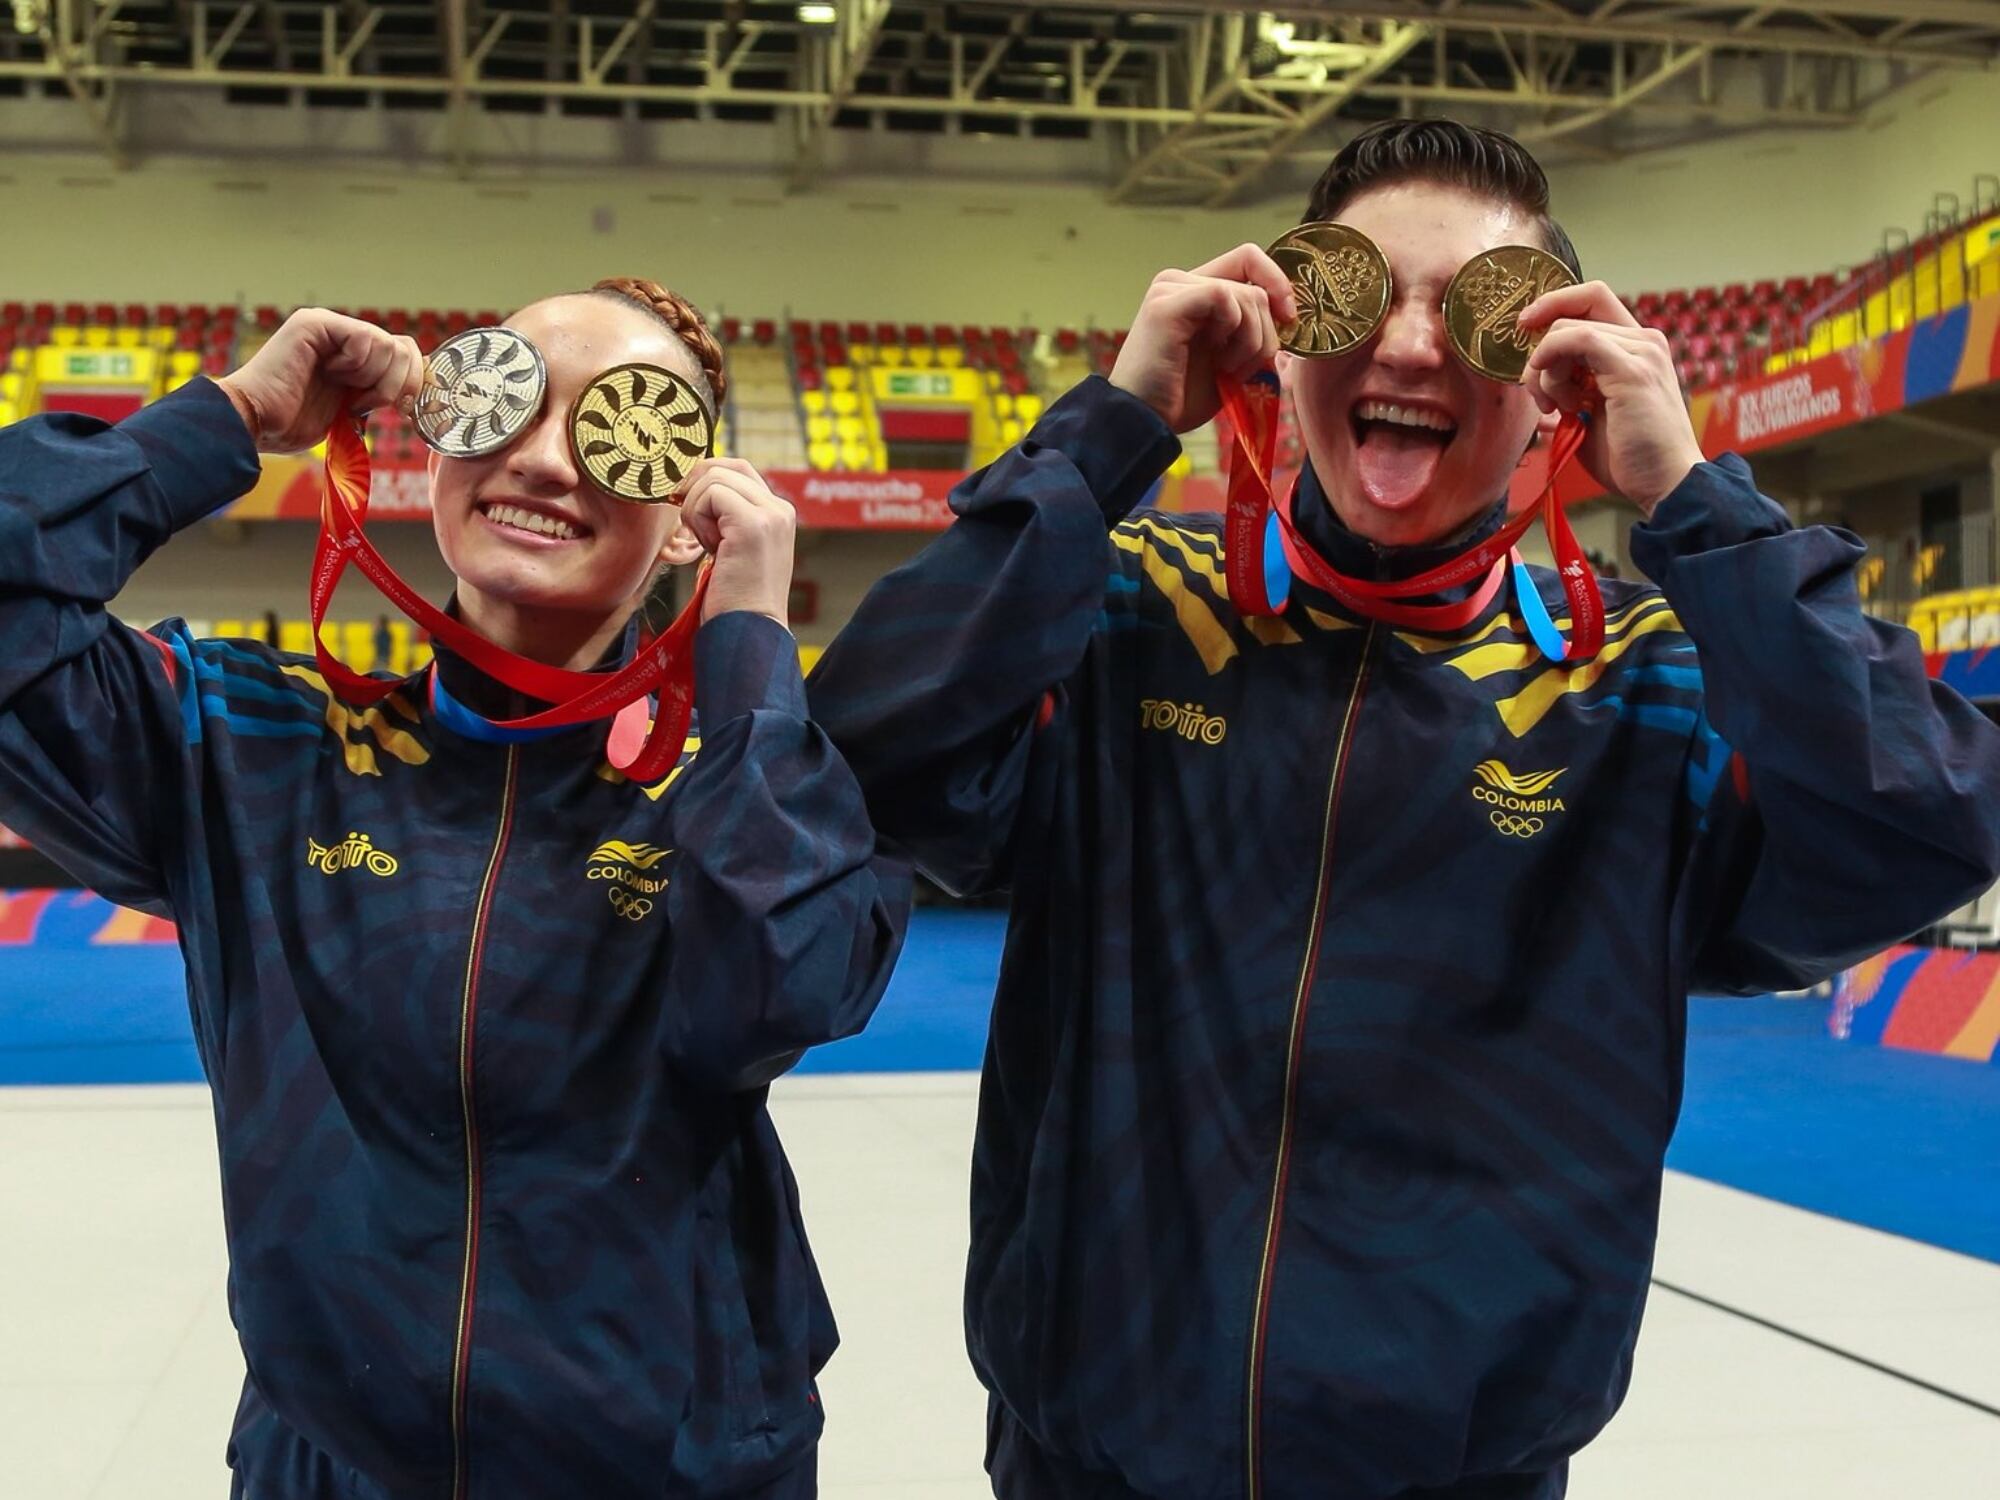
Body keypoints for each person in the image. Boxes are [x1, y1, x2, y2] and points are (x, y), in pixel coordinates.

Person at [807, 119, 2000, 1500]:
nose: (1418, 349)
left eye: (1483, 318)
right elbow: (859, 758)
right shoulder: (1130, 607)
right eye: (1360, 295)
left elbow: (1928, 829)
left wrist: (1697, 502)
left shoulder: (1641, 683)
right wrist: (1107, 432)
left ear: (1556, 385)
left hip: (1460, 1472)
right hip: (1092, 1457)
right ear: (1284, 335)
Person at [0, 280, 911, 1498]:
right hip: (329, 1463)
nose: (540, 459)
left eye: (617, 428)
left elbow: (789, 991)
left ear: (687, 516)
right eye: (504, 398)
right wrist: (223, 421)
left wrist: (746, 644)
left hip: (671, 1469)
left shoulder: (738, 783)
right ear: (433, 434)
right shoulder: (250, 744)